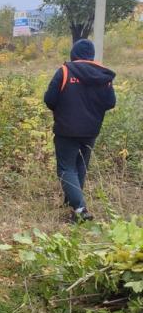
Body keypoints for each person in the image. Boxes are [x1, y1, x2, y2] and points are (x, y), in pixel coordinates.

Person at [43, 39, 116, 223]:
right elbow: (110, 103)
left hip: (66, 129)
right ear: (91, 55)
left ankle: (80, 209)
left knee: (66, 168)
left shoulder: (65, 71)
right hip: (91, 130)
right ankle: (73, 205)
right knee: (80, 166)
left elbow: (49, 99)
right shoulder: (102, 75)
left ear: (73, 54)